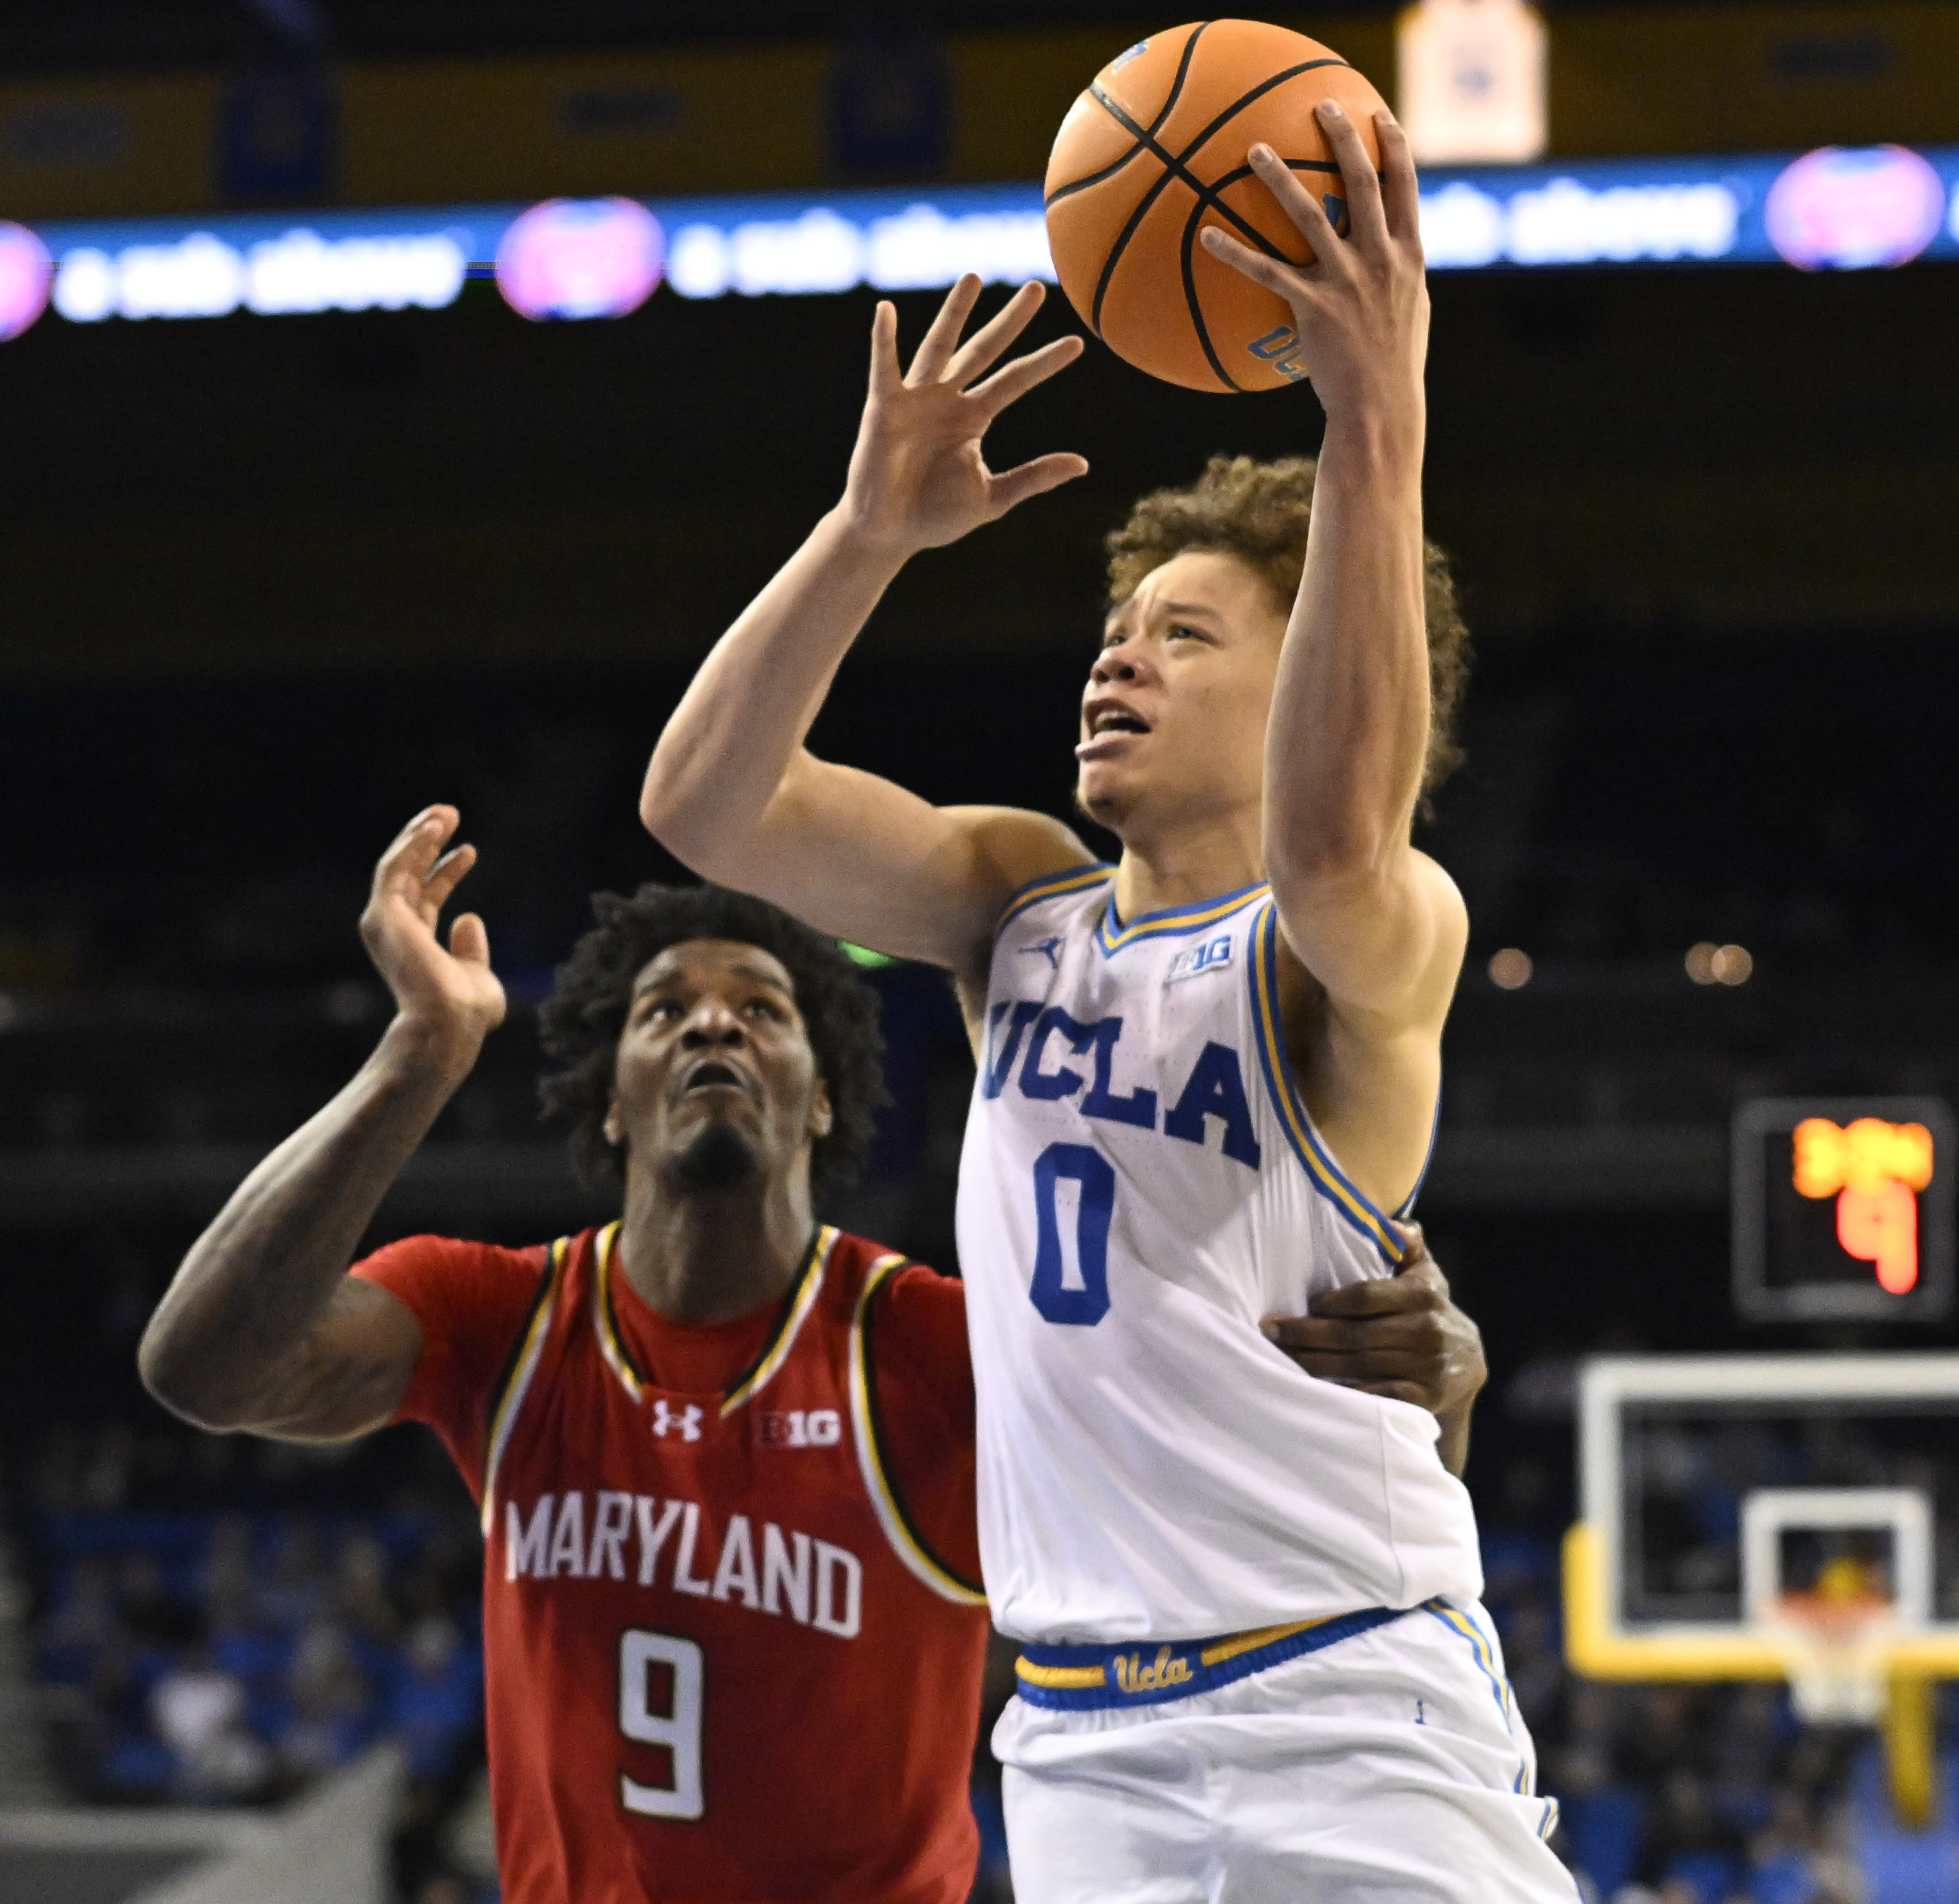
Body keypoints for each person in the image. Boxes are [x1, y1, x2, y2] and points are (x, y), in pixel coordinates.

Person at [641, 105, 1574, 1899]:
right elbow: (702, 806)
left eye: (1184, 634)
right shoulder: (1015, 904)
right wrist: (859, 536)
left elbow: (1327, 832)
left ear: (1309, 681)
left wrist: (1375, 421)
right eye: (1114, 623)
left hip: (1344, 1705)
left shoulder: (1365, 936)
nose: (1114, 652)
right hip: (1073, 1740)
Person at [138, 806, 1490, 1904]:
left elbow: (1273, 1539)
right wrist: (416, 1056)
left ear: (821, 1090)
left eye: (761, 1008)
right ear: (610, 1099)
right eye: (662, 1011)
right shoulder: (500, 1318)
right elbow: (203, 1370)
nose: (713, 1023)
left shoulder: (945, 1350)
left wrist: (1432, 1399)